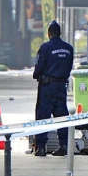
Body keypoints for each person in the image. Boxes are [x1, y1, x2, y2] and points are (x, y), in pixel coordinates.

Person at [32, 20, 74, 158]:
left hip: (47, 86)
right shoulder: (69, 48)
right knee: (61, 115)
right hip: (61, 86)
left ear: (49, 33)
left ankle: (41, 147)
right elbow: (69, 66)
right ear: (59, 33)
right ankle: (64, 145)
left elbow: (38, 67)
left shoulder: (45, 47)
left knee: (43, 115)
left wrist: (36, 75)